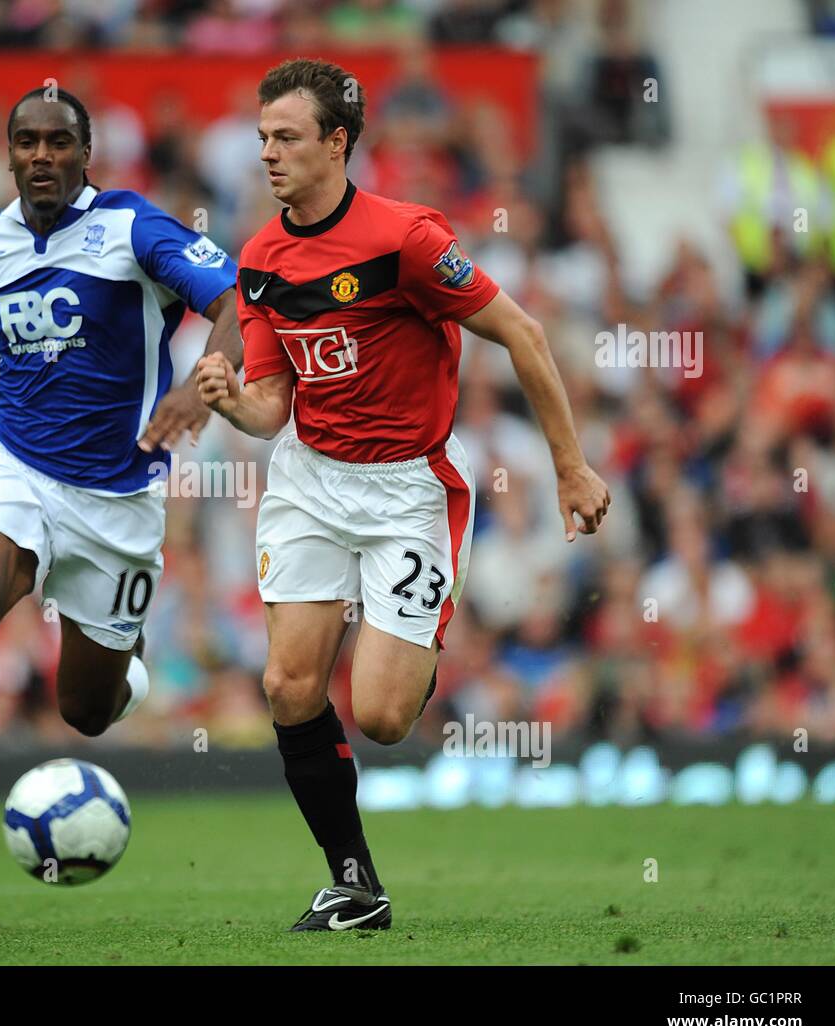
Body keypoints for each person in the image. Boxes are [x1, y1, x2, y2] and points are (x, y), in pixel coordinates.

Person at [196, 59, 611, 931]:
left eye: (287, 137)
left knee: (383, 716)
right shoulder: (262, 258)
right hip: (310, 479)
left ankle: (414, 652)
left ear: (337, 142)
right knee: (287, 686)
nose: (267, 153)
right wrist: (234, 398)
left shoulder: (407, 240)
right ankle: (354, 881)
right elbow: (274, 409)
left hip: (406, 489)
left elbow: (523, 334)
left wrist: (571, 465)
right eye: (262, 137)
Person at [0, 87, 241, 897]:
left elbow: (235, 299)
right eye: (27, 142)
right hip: (15, 461)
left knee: (88, 710)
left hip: (119, 495)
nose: (43, 155)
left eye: (59, 143)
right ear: (7, 156)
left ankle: (128, 671)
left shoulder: (135, 228)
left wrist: (203, 382)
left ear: (86, 154)